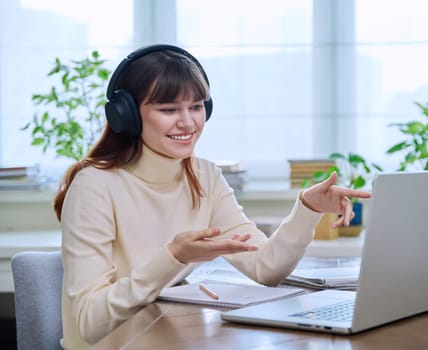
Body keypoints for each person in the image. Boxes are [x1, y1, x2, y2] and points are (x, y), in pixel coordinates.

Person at [55, 44, 371, 349]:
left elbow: (265, 267)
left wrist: (307, 210)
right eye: (168, 109)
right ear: (127, 115)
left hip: (170, 338)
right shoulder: (94, 187)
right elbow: (89, 322)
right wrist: (173, 256)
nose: (188, 122)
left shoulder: (204, 176)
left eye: (196, 107)